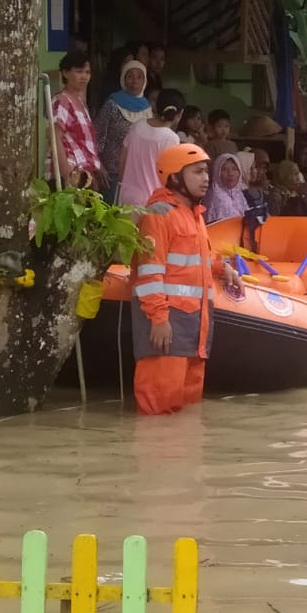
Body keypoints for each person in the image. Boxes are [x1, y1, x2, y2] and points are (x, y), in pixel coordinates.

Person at [130, 143, 239, 415]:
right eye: (198, 172)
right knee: (158, 410)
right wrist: (158, 319)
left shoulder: (194, 215)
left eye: (207, 172)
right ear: (175, 176)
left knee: (187, 413)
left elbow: (194, 260)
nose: (206, 179)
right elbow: (149, 272)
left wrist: (221, 268)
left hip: (195, 326)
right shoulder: (158, 214)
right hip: (167, 324)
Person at [95, 59, 152, 200]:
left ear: (144, 81)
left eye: (139, 77)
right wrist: (99, 166)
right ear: (123, 79)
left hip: (138, 173)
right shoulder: (112, 103)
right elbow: (97, 135)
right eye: (130, 76)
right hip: (111, 173)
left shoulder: (148, 109)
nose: (134, 81)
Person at [118, 89, 185, 208]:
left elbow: (122, 160)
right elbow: (171, 176)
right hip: (154, 201)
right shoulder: (171, 138)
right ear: (179, 114)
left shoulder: (137, 126)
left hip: (128, 196)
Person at [49, 50, 103, 190]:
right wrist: (67, 175)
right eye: (79, 71)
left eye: (87, 72)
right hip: (71, 176)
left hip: (85, 175)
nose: (84, 76)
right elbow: (55, 138)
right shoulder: (61, 101)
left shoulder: (81, 103)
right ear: (65, 73)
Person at [204, 153, 250, 224]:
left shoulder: (240, 195)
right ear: (217, 172)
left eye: (234, 169)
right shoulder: (214, 196)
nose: (230, 173)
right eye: (224, 169)